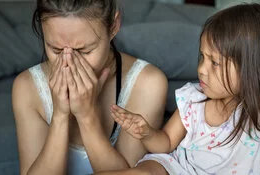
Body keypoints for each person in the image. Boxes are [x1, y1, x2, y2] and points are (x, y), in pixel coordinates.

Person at [97, 3, 260, 175]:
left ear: (251, 68)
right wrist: (147, 133)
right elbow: (166, 143)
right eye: (202, 57)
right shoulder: (193, 98)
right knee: (146, 171)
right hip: (176, 166)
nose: (201, 69)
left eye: (214, 63)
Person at [12, 0, 168, 174]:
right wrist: (60, 116)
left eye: (85, 51)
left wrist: (87, 116)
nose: (69, 63)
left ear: (114, 26)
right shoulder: (27, 87)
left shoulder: (148, 83)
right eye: (56, 49)